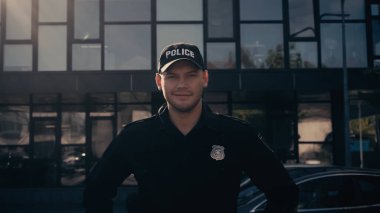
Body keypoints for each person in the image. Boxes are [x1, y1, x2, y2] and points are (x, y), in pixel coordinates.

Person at [83, 42, 298, 213]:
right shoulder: (136, 136)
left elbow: (284, 193)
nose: (182, 84)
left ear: (204, 78)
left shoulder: (236, 134)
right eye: (172, 76)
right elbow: (96, 191)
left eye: (191, 75)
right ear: (159, 82)